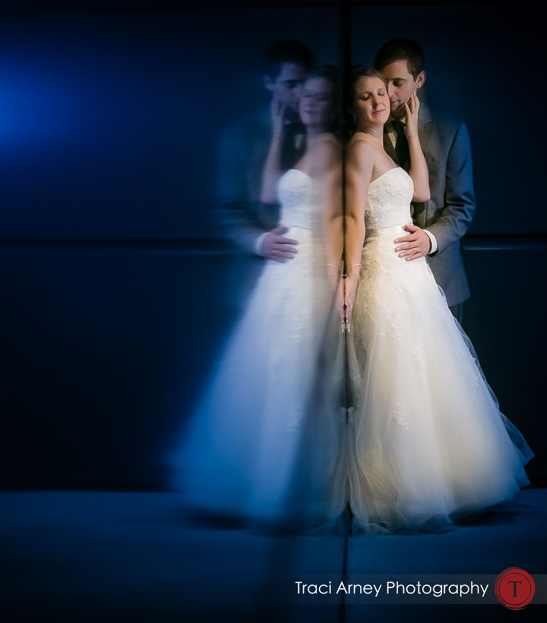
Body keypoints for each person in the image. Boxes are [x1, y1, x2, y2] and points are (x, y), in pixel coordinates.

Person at [341, 66, 532, 534]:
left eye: (382, 93)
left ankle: (444, 482)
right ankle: (401, 488)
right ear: (352, 107)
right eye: (365, 97)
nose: (377, 102)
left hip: (412, 272)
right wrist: (350, 278)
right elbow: (351, 217)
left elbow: (421, 192)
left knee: (427, 374)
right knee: (395, 378)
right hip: (383, 268)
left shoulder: (385, 145)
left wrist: (408, 129)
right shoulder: (360, 147)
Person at [171, 68, 346, 528]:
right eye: (306, 95)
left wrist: (332, 281)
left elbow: (334, 222)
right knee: (269, 373)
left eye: (322, 98)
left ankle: (300, 486)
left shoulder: (329, 148)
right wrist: (275, 131)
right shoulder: (301, 142)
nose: (311, 102)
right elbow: (270, 194)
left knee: (301, 374)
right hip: (280, 269)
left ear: (334, 105)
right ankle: (266, 482)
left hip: (309, 266)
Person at [374, 39, 474, 321]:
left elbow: (462, 207)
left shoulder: (450, 131)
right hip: (383, 279)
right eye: (383, 82)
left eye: (398, 82)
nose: (388, 93)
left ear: (419, 79)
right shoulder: (363, 133)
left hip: (441, 279)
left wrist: (429, 239)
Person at [217, 40, 316, 265]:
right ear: (269, 83)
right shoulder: (240, 136)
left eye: (306, 83)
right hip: (260, 266)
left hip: (319, 265)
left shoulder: (332, 132)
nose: (301, 93)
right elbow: (232, 210)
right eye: (291, 84)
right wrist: (260, 242)